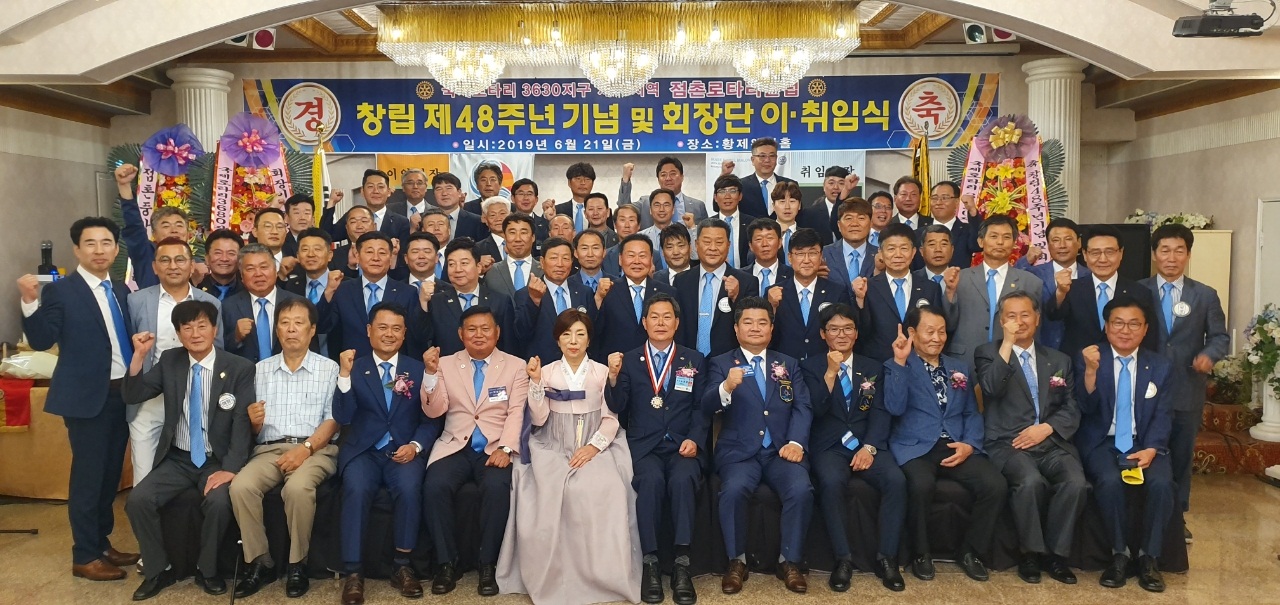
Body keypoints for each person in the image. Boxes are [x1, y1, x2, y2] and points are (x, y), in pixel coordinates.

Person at [18, 216, 140, 582]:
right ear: (77, 250)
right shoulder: (62, 291)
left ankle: (101, 543)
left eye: (106, 243)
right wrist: (29, 303)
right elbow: (42, 340)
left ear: (115, 249)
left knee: (110, 476)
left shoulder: (120, 290)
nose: (99, 250)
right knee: (89, 478)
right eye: (90, 243)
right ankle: (84, 555)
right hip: (87, 399)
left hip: (121, 393)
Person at [497, 310, 641, 604]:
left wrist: (593, 447)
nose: (573, 341)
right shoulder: (548, 372)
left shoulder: (601, 372)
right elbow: (539, 418)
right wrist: (535, 382)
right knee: (547, 491)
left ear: (589, 339)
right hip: (553, 442)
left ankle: (603, 575)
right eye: (566, 335)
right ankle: (554, 576)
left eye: (580, 334)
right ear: (557, 340)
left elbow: (611, 419)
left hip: (596, 443)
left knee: (607, 489)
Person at [122, 300, 256, 600]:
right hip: (178, 459)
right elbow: (133, 394)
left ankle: (207, 570)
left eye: (202, 326)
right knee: (138, 501)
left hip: (216, 459)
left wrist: (230, 469)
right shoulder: (170, 360)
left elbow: (241, 423)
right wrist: (139, 357)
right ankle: (158, 569)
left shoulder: (239, 368)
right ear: (178, 334)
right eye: (187, 328)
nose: (195, 334)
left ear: (215, 330)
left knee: (219, 503)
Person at [883, 305, 1006, 583]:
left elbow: (971, 412)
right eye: (930, 331)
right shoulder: (897, 365)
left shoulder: (958, 368)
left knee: (995, 485)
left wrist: (969, 444)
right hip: (916, 446)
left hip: (955, 443)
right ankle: (920, 553)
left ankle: (970, 551)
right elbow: (894, 407)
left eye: (941, 332)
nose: (937, 338)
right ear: (912, 333)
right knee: (920, 486)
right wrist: (900, 362)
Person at [229, 298, 340, 599]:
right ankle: (260, 562)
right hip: (268, 450)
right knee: (241, 487)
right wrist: (254, 423)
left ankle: (297, 564)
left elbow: (333, 421)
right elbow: (253, 429)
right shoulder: (259, 370)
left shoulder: (329, 369)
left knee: (298, 488)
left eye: (299, 323)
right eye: (284, 323)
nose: (291, 329)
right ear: (276, 330)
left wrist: (306, 448)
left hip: (315, 450)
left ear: (312, 330)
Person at [974, 291, 1087, 585]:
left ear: (1037, 319)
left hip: (1051, 441)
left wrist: (1047, 428)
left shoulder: (1059, 359)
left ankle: (1057, 556)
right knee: (1030, 482)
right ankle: (1031, 554)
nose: (1019, 322)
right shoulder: (987, 353)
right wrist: (1007, 344)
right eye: (1011, 316)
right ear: (1001, 321)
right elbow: (991, 388)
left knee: (1076, 483)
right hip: (1009, 443)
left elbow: (1072, 406)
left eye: (1025, 315)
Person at [333, 303, 440, 605]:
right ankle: (354, 572)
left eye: (396, 328)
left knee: (409, 487)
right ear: (369, 331)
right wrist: (344, 375)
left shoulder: (417, 369)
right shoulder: (355, 367)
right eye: (382, 327)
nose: (389, 334)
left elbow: (431, 419)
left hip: (403, 449)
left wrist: (415, 446)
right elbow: (343, 416)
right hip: (364, 451)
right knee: (355, 488)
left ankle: (402, 565)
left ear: (404, 334)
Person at [705, 296, 813, 594]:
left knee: (801, 489)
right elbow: (707, 405)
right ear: (736, 328)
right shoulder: (721, 363)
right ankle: (736, 561)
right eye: (748, 322)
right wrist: (726, 387)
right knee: (733, 490)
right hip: (739, 453)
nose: (755, 328)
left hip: (781, 450)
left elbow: (803, 406)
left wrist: (795, 442)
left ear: (771, 328)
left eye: (762, 322)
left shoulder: (788, 363)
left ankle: (789, 561)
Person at [606, 292, 707, 605]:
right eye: (654, 317)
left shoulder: (693, 359)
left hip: (682, 444)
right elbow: (617, 406)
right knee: (649, 482)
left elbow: (701, 409)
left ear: (677, 323)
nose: (660, 323)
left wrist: (695, 439)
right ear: (644, 322)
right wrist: (613, 378)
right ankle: (650, 563)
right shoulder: (629, 359)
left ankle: (681, 564)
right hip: (644, 447)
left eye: (667, 317)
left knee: (683, 480)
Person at [421, 306, 529, 596]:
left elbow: (517, 412)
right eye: (471, 329)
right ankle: (446, 563)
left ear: (497, 332)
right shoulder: (444, 364)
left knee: (496, 488)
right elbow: (434, 411)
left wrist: (506, 447)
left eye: (485, 328)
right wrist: (430, 374)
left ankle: (487, 564)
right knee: (434, 486)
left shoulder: (515, 366)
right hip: (455, 445)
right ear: (461, 334)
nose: (478, 335)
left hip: (495, 445)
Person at [800, 303, 906, 592]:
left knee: (896, 481)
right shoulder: (809, 367)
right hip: (829, 445)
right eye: (834, 329)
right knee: (831, 482)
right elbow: (816, 409)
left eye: (848, 328)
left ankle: (887, 558)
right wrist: (830, 373)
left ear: (857, 333)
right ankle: (843, 559)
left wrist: (870, 447)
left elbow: (881, 411)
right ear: (823, 334)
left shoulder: (873, 367)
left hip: (866, 442)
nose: (841, 334)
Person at [1074, 296, 1175, 592]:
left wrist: (1153, 448)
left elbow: (1164, 414)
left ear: (1145, 329)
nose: (1125, 330)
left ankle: (1149, 558)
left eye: (1134, 324)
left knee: (1161, 484)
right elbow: (1085, 407)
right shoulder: (1090, 358)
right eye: (1118, 323)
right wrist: (1090, 371)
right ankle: (1119, 554)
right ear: (1106, 327)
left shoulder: (1160, 365)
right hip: (1102, 442)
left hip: (1145, 442)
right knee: (1109, 481)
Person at [1138, 224, 1229, 542]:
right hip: (1143, 388)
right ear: (1154, 254)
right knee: (1140, 450)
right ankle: (1140, 514)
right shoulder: (1137, 291)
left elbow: (1220, 337)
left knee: (1179, 455)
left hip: (1186, 387)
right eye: (1165, 250)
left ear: (1188, 254)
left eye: (1179, 251)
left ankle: (1177, 518)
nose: (1172, 257)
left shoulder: (1205, 295)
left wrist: (1208, 355)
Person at [127, 238, 224, 485]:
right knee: (144, 476)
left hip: (195, 396)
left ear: (192, 265)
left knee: (188, 470)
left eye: (180, 259)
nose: (173, 266)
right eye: (165, 260)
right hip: (150, 397)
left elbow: (219, 350)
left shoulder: (210, 303)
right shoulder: (136, 301)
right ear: (154, 266)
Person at [944, 214, 1043, 367]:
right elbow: (948, 324)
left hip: (1013, 361)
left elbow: (1035, 331)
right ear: (980, 241)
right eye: (994, 236)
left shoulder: (1031, 282)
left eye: (1006, 237)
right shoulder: (959, 278)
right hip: (965, 360)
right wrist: (950, 292)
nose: (1000, 242)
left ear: (1014, 243)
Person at [1048, 224, 1156, 360]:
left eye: (1109, 252)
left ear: (1121, 253)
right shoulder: (1071, 288)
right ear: (1085, 255)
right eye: (1095, 253)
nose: (1103, 259)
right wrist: (1061, 292)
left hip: (1123, 366)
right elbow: (1053, 314)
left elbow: (1149, 337)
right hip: (1078, 365)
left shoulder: (1139, 292)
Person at [855, 224, 944, 363]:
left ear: (913, 252)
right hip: (878, 364)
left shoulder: (930, 288)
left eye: (904, 248)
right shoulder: (867, 287)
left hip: (919, 364)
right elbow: (861, 331)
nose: (898, 255)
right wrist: (860, 301)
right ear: (880, 253)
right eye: (891, 249)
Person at [675, 218, 759, 359]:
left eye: (719, 242)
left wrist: (736, 298)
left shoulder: (747, 281)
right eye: (707, 242)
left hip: (729, 362)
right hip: (688, 361)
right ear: (696, 244)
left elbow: (750, 326)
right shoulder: (681, 281)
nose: (713, 248)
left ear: (728, 245)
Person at [767, 228, 849, 361]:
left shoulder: (837, 291)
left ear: (821, 256)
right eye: (800, 254)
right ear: (789, 257)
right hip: (785, 365)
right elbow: (767, 334)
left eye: (812, 253)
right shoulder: (774, 292)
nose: (806, 260)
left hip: (824, 364)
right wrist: (772, 307)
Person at [593, 234, 677, 360]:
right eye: (631, 255)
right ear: (620, 259)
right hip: (617, 365)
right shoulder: (607, 291)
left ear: (651, 259)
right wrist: (598, 299)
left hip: (658, 364)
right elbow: (595, 332)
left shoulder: (668, 293)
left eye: (642, 256)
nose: (637, 261)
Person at [515, 237, 600, 362]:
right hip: (542, 366)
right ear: (542, 262)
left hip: (579, 365)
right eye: (554, 258)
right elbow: (521, 334)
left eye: (565, 258)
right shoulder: (525, 294)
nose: (560, 264)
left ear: (572, 262)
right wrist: (534, 301)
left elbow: (593, 334)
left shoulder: (584, 292)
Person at [113, 163, 195, 289]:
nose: (174, 230)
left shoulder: (198, 263)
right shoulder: (146, 253)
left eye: (179, 225)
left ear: (188, 233)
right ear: (154, 234)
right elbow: (134, 227)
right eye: (166, 226)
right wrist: (124, 186)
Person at [428, 238, 514, 355]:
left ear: (478, 267)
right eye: (452, 264)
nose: (458, 269)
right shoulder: (436, 302)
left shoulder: (500, 302)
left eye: (464, 263)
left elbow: (509, 346)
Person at [222, 243, 305, 362]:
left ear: (275, 270)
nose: (258, 274)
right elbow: (219, 350)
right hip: (246, 372)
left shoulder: (298, 304)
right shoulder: (228, 307)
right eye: (250, 269)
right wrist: (236, 337)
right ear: (241, 275)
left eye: (264, 267)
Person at [1020, 217, 1091, 349]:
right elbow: (1012, 284)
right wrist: (1025, 260)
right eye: (1056, 240)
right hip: (1044, 350)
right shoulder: (1034, 274)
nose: (1062, 245)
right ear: (1048, 245)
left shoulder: (1091, 275)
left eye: (1068, 239)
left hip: (1082, 352)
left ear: (1079, 242)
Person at [618, 157, 708, 229]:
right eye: (663, 175)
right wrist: (626, 179)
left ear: (682, 177)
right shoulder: (645, 203)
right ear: (658, 179)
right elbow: (623, 208)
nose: (668, 178)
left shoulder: (698, 206)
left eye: (673, 174)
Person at [821, 198, 878, 294]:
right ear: (839, 225)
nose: (854, 224)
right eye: (848, 218)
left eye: (861, 218)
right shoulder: (824, 254)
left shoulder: (880, 256)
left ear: (871, 224)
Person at [481, 213, 542, 299]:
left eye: (523, 233)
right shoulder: (491, 271)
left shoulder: (544, 270)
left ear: (533, 237)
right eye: (512, 233)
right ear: (505, 237)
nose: (518, 239)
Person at [734, 137, 797, 218]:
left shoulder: (790, 184)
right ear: (753, 160)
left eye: (772, 156)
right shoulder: (741, 185)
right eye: (762, 156)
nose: (767, 160)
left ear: (776, 158)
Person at [921, 181, 978, 268]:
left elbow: (977, 246)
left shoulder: (967, 231)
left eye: (945, 198)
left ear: (957, 202)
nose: (938, 202)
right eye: (934, 198)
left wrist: (972, 211)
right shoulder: (918, 233)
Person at [710, 174, 757, 268]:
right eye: (722, 191)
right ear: (715, 197)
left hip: (746, 274)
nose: (727, 196)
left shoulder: (753, 223)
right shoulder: (708, 224)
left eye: (732, 191)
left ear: (740, 196)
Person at [796, 166, 846, 246]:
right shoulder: (809, 214)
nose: (836, 187)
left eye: (841, 183)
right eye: (831, 183)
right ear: (824, 186)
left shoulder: (855, 211)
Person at [431, 172, 487, 241]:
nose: (444, 193)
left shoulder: (477, 222)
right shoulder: (425, 221)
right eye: (439, 189)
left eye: (449, 188)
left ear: (459, 192)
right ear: (434, 194)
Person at [329, 206, 377, 280]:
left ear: (374, 226)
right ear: (346, 227)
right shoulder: (334, 256)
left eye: (364, 221)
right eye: (353, 222)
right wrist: (351, 268)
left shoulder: (386, 252)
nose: (359, 226)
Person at [747, 217, 789, 298]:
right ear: (750, 246)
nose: (765, 244)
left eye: (770, 238)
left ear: (780, 243)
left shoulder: (792, 275)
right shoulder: (740, 277)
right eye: (758, 239)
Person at [198, 229, 245, 301]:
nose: (224, 259)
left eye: (231, 253)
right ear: (207, 259)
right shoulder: (196, 289)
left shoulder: (249, 291)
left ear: (241, 259)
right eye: (218, 253)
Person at [638, 188, 678, 265]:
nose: (661, 209)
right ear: (650, 210)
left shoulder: (683, 235)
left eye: (666, 205)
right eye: (657, 205)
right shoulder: (640, 237)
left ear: (673, 209)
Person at [556, 162, 598, 232]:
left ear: (593, 183)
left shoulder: (602, 212)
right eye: (578, 179)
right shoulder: (557, 210)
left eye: (587, 179)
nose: (583, 183)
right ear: (569, 182)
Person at [571, 229, 616, 293]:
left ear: (604, 252)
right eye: (584, 248)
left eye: (595, 248)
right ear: (575, 253)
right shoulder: (567, 285)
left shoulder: (616, 284)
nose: (590, 254)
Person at [603, 203, 644, 273]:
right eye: (622, 220)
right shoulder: (605, 255)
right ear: (615, 225)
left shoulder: (653, 254)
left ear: (639, 225)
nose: (627, 225)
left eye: (631, 220)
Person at [509, 178, 551, 243]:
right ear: (513, 198)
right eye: (521, 194)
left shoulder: (545, 224)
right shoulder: (507, 223)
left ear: (536, 200)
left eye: (529, 194)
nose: (526, 198)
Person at [770, 182, 804, 260]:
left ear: (799, 205)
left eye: (792, 201)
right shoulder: (764, 235)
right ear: (773, 206)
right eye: (782, 201)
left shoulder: (806, 235)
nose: (787, 207)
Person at [474, 196, 512, 262]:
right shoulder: (478, 249)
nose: (498, 219)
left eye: (502, 213)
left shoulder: (524, 243)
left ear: (511, 216)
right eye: (492, 215)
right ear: (485, 219)